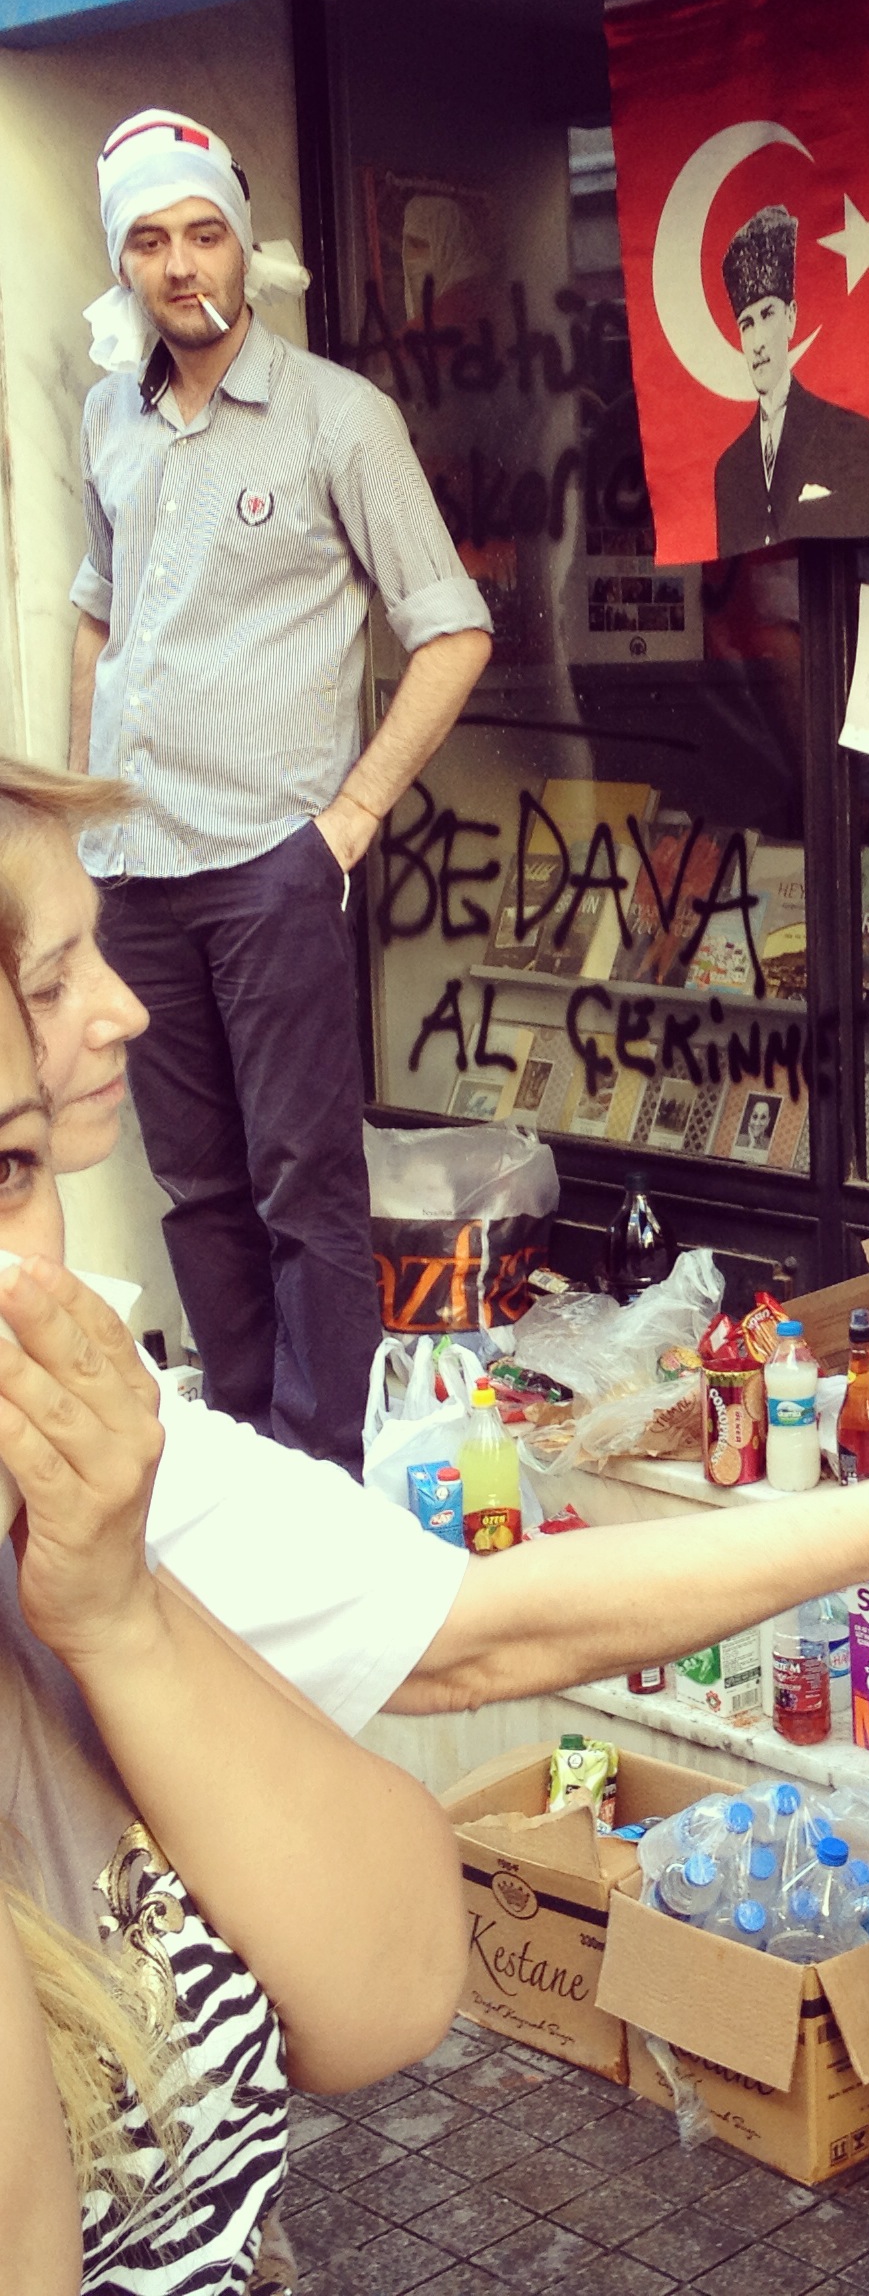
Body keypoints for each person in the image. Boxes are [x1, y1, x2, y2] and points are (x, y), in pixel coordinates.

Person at [0, 755, 869, 1741]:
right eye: (54, 980)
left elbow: (453, 1633)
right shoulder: (54, 1396)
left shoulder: (91, 1387)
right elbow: (469, 1641)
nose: (127, 1009)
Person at [0, 912, 464, 2291]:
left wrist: (119, 1614)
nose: (126, 1011)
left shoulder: (61, 1557)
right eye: (57, 970)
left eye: (6, 1169)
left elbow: (394, 1984)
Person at [70, 109, 494, 1471]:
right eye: (150, 240)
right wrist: (78, 811)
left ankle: (327, 1473)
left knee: (304, 1181)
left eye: (204, 234)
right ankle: (250, 1459)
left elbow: (453, 629)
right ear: (123, 260)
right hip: (132, 871)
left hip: (269, 864)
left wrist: (345, 825)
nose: (180, 264)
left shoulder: (337, 416)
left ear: (243, 248)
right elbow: (97, 614)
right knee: (194, 1185)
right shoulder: (109, 415)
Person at [711, 203, 869, 554]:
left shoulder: (854, 437)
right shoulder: (729, 470)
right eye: (746, 324)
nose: (758, 341)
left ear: (791, 317)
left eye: (768, 314)